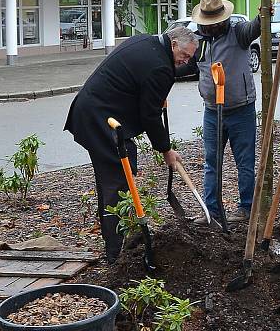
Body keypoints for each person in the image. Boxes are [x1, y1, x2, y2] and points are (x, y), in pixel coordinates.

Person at [64, 26, 198, 262]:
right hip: (101, 120)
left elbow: (139, 83)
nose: (185, 61)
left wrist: (154, 92)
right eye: (184, 55)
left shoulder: (147, 42)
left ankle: (117, 243)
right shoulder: (160, 67)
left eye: (190, 58)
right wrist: (166, 150)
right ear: (174, 44)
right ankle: (118, 253)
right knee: (118, 185)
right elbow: (150, 116)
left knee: (112, 183)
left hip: (94, 112)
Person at [177, 0, 261, 225]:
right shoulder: (199, 40)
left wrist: (264, 12)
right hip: (212, 110)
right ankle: (212, 210)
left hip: (240, 108)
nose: (211, 27)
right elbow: (188, 65)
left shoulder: (239, 32)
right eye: (207, 23)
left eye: (215, 22)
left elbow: (256, 26)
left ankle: (246, 208)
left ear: (224, 19)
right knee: (212, 161)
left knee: (244, 161)